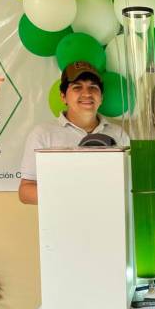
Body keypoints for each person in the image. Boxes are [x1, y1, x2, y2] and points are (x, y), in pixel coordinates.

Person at [19, 61, 129, 205]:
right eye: (77, 87)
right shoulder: (43, 133)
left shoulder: (118, 133)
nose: (87, 93)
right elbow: (25, 192)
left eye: (93, 87)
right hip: (62, 224)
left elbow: (130, 182)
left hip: (110, 221)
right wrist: (71, 194)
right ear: (63, 96)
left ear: (101, 97)